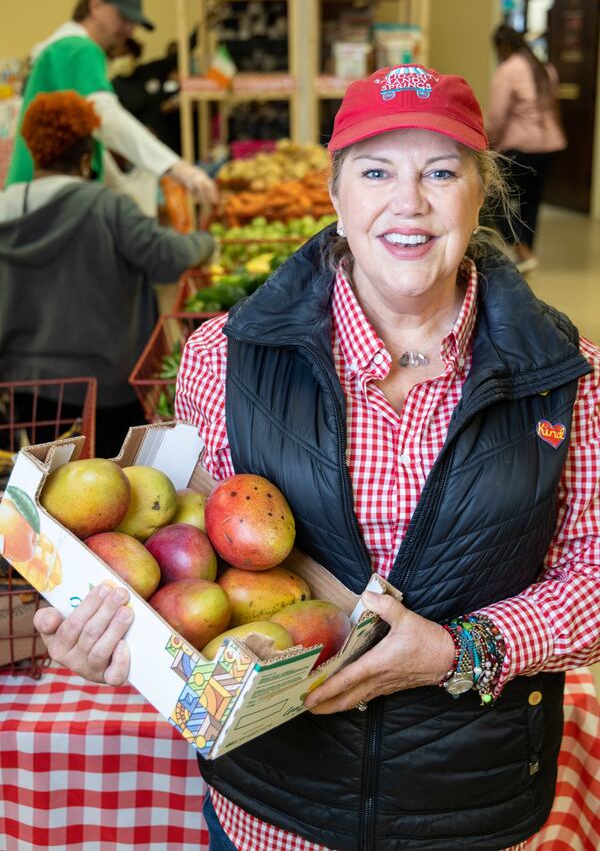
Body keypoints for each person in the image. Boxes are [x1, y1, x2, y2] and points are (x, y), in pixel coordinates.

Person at [34, 65, 600, 850]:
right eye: (375, 172)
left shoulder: (569, 374)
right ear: (336, 196)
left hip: (473, 811)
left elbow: (593, 573)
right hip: (273, 811)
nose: (408, 202)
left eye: (440, 172)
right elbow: (191, 565)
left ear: (481, 194)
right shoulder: (222, 359)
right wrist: (118, 632)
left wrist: (458, 649)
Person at [0, 90, 215, 457]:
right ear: (87, 157)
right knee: (111, 489)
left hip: (26, 387)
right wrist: (205, 241)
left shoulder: (5, 207)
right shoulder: (106, 207)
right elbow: (166, 256)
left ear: (33, 151)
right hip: (106, 386)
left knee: (48, 487)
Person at [5, 0, 217, 211]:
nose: (130, 28)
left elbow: (94, 129)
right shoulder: (79, 49)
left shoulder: (59, 50)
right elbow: (106, 117)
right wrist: (176, 167)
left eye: (134, 22)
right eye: (124, 16)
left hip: (31, 198)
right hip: (45, 205)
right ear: (95, 5)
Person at [487, 24, 567, 273]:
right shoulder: (544, 68)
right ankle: (527, 251)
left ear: (502, 46)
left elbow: (497, 117)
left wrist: (486, 142)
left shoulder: (508, 70)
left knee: (494, 196)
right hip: (549, 145)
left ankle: (521, 249)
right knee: (531, 201)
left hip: (520, 146)